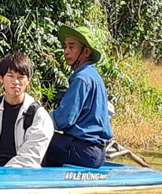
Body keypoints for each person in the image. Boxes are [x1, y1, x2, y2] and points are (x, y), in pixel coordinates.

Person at [42, 25, 113, 168]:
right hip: (97, 153)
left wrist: (39, 120)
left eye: (72, 47)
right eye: (65, 47)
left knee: (36, 137)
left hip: (84, 150)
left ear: (86, 52)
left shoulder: (81, 79)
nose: (66, 51)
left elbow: (65, 119)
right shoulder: (94, 76)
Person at [0, 52, 54, 168]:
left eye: (21, 77)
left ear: (28, 80)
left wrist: (3, 173)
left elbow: (29, 158)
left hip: (17, 173)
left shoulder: (39, 117)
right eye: (10, 76)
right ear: (1, 78)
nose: (16, 82)